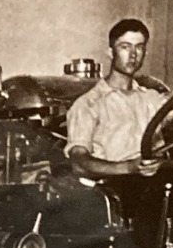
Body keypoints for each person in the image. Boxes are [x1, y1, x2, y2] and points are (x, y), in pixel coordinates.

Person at [65, 18, 167, 179]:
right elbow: (79, 162)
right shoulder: (89, 104)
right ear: (111, 52)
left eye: (139, 47)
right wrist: (128, 167)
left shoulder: (151, 98)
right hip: (111, 189)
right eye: (125, 47)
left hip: (156, 185)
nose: (133, 55)